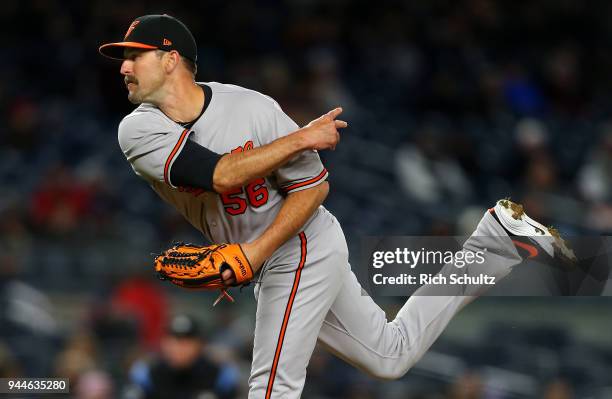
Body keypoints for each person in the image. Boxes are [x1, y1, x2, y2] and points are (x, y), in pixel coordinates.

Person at [99, 14, 576, 398]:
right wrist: (301, 139)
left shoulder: (252, 108)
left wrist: (256, 251)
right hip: (263, 256)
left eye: (133, 58)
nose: (122, 67)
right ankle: (495, 242)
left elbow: (313, 188)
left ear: (170, 59)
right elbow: (219, 175)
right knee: (391, 356)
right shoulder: (137, 130)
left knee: (271, 387)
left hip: (303, 242)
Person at [125, 314, 238, 399]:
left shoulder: (217, 375)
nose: (178, 348)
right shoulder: (148, 374)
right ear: (163, 343)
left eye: (186, 342)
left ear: (199, 345)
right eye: (173, 341)